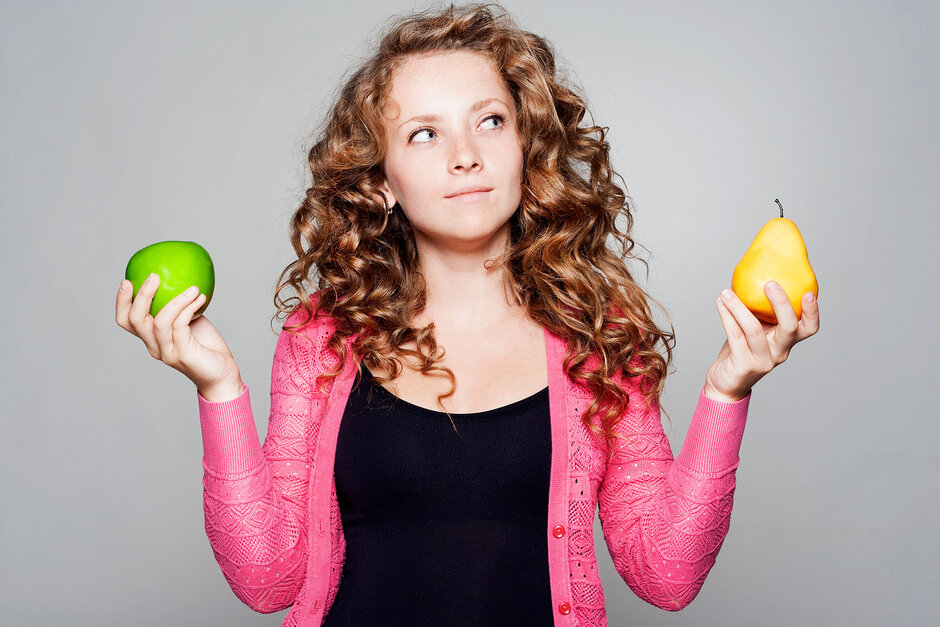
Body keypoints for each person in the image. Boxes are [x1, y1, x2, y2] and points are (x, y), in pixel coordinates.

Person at [114, 3, 819, 625]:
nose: (465, 156)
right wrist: (218, 386)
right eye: (424, 134)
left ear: (525, 146)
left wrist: (729, 388)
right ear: (381, 181)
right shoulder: (322, 340)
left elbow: (664, 578)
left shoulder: (600, 337)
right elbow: (269, 581)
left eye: (490, 121)